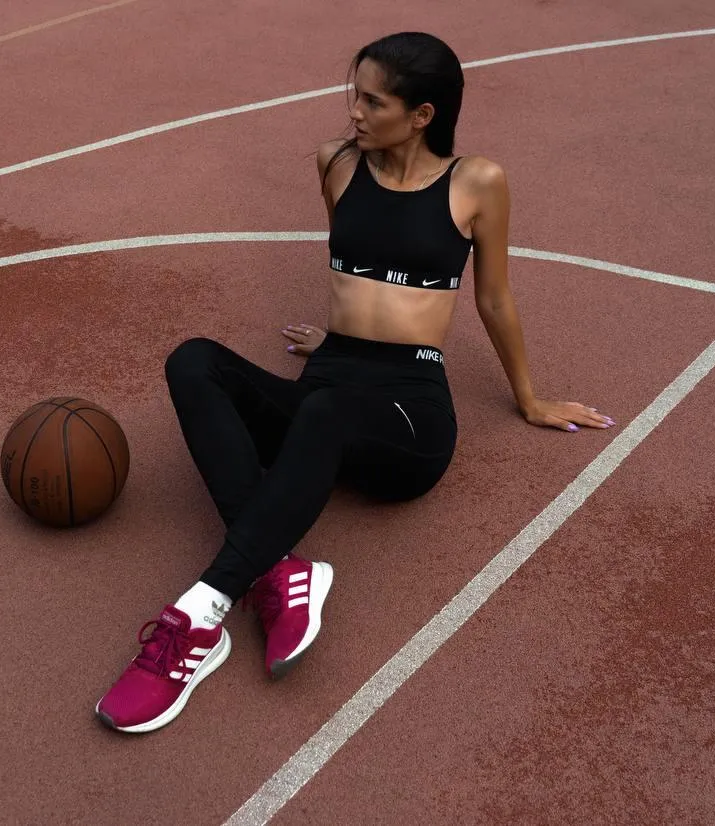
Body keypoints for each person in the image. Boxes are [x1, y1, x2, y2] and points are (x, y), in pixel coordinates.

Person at [95, 31, 613, 733]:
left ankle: (200, 615)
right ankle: (281, 573)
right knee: (194, 361)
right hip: (333, 377)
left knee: (327, 411)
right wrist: (340, 334)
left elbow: (493, 297)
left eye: (373, 101)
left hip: (410, 410)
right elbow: (358, 259)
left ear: (422, 114)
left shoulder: (478, 182)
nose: (355, 112)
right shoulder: (336, 163)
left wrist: (529, 396)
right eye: (355, 95)